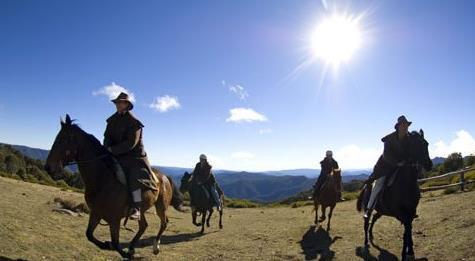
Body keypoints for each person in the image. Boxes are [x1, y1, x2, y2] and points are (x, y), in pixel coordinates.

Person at [103, 92, 154, 220]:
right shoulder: (111, 120)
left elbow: (131, 144)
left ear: (127, 105)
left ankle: (136, 207)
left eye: (121, 103)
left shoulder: (134, 122)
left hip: (134, 157)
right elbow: (107, 136)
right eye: (117, 103)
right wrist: (107, 147)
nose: (118, 105)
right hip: (115, 153)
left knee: (134, 178)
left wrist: (112, 149)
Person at [364, 115, 412, 218]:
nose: (405, 127)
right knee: (379, 183)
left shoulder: (409, 138)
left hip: (402, 165)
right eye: (403, 125)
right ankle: (369, 209)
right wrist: (397, 163)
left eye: (406, 125)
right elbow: (386, 156)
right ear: (398, 127)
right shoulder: (389, 139)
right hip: (385, 166)